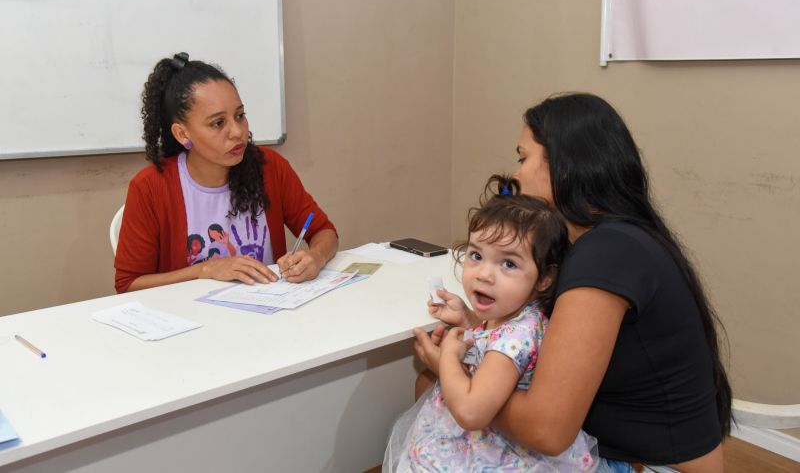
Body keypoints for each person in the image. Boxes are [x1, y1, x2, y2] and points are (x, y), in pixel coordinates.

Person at [413, 93, 731, 472]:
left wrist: (458, 372)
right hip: (628, 448)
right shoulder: (611, 239)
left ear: (562, 166)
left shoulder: (605, 254)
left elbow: (547, 430)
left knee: (433, 387)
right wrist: (473, 326)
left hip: (647, 464)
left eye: (523, 157)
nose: (516, 174)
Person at [384, 176, 598, 472]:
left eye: (508, 264)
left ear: (545, 278)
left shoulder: (515, 337)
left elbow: (472, 412)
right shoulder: (524, 315)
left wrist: (446, 357)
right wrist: (469, 320)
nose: (484, 274)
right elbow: (494, 342)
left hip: (494, 452)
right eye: (476, 255)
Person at [114, 52, 338, 293]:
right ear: (182, 134)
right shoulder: (150, 187)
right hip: (194, 322)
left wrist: (315, 257)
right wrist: (205, 270)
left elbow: (324, 232)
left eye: (240, 116)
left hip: (270, 315)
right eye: (218, 123)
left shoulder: (269, 167)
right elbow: (129, 285)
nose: (237, 132)